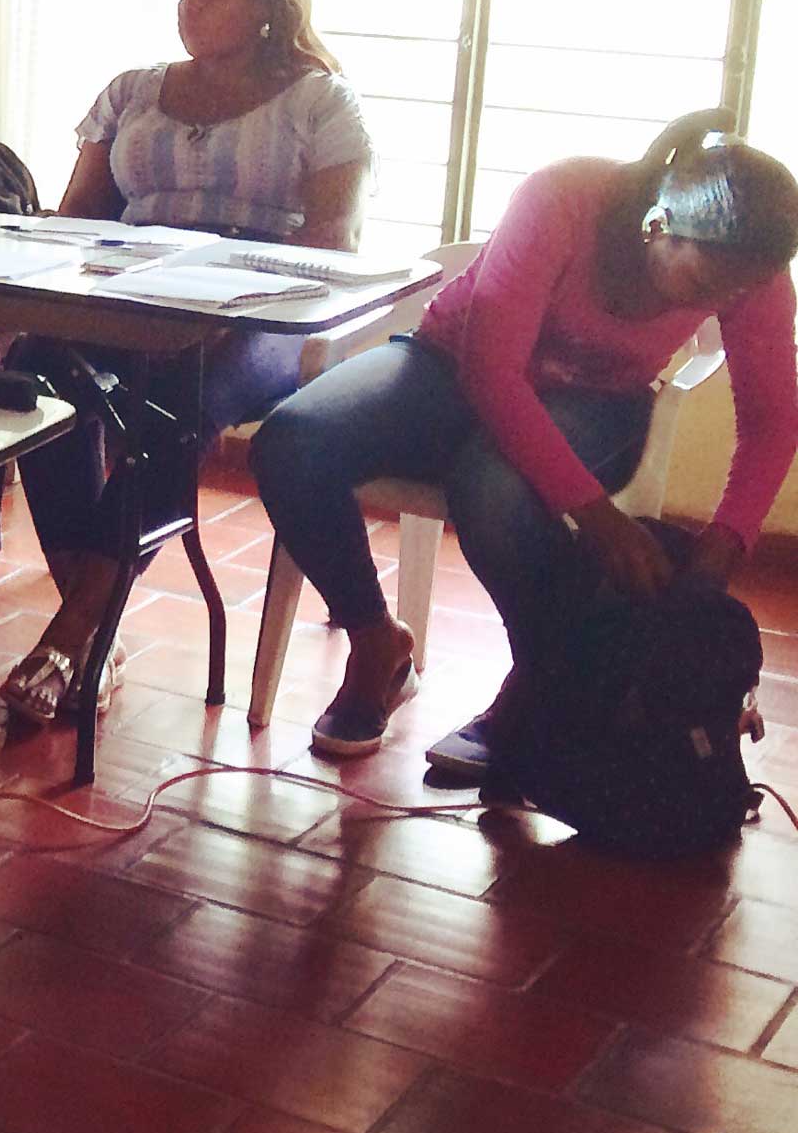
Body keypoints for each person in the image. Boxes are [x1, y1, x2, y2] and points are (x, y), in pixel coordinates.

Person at [254, 113, 798, 764]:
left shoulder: (748, 271)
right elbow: (489, 372)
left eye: (739, 290)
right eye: (706, 288)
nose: (726, 301)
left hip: (600, 401)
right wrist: (598, 519)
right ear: (657, 227)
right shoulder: (563, 201)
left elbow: (772, 420)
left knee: (494, 485)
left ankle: (537, 687)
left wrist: (724, 544)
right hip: (451, 366)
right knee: (292, 440)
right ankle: (377, 642)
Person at [0, 0, 372, 726]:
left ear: (269, 6)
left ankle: (68, 641)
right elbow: (77, 223)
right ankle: (94, 628)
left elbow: (332, 244)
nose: (187, 5)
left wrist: (226, 303)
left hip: (265, 312)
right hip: (139, 293)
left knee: (177, 397)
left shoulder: (321, 102)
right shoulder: (134, 91)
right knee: (32, 370)